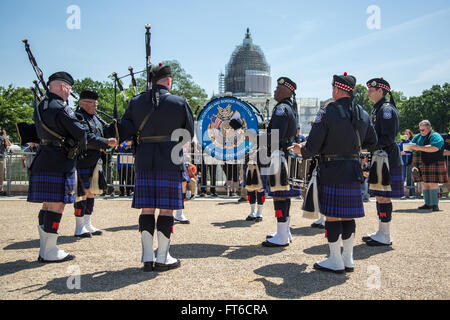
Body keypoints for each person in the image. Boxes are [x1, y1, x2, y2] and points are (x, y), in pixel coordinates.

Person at [109, 63, 194, 271]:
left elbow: (125, 132)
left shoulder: (136, 102)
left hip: (144, 159)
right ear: (168, 81)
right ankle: (162, 257)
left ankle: (147, 257)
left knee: (147, 209)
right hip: (170, 159)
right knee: (166, 210)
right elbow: (188, 134)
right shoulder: (179, 102)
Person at [291, 72, 377, 273]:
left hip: (332, 169)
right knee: (348, 216)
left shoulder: (328, 111)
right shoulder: (363, 113)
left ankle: (335, 260)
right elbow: (372, 143)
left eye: (332, 88)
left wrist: (299, 149)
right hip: (353, 169)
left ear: (337, 89)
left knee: (332, 216)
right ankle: (348, 259)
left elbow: (312, 147)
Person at [27, 72, 86, 263]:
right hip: (59, 161)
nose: (69, 93)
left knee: (47, 205)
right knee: (57, 205)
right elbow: (80, 133)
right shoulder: (62, 109)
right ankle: (49, 250)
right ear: (62, 87)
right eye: (69, 89)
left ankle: (45, 249)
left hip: (43, 158)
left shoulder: (39, 107)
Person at [364, 77, 404, 247]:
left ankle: (385, 234)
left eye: (371, 90)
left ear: (380, 91)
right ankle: (381, 230)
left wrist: (367, 146)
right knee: (380, 197)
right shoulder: (378, 109)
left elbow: (387, 137)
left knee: (384, 197)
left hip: (387, 158)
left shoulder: (386, 110)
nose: (368, 93)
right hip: (381, 157)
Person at [262, 77, 301, 247]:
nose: (275, 91)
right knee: (283, 196)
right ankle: (284, 231)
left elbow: (274, 136)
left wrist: (256, 138)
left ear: (287, 90)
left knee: (279, 196)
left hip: (279, 155)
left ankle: (282, 234)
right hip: (284, 155)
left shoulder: (281, 109)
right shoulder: (289, 108)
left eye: (278, 88)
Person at [73, 90, 117, 238]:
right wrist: (105, 143)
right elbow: (86, 137)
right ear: (83, 103)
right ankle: (79, 227)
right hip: (82, 160)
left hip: (95, 160)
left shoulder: (95, 119)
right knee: (82, 194)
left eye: (96, 104)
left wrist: (105, 146)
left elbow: (100, 135)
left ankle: (88, 223)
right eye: (92, 104)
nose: (95, 107)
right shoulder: (78, 117)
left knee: (91, 192)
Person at [410, 120, 448, 211]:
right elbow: (411, 145)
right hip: (421, 162)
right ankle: (428, 204)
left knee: (433, 183)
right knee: (424, 183)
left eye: (423, 130)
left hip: (433, 162)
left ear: (429, 128)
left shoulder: (435, 136)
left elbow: (435, 148)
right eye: (420, 130)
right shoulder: (418, 136)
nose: (421, 132)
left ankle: (435, 204)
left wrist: (419, 148)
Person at [398, 129, 415, 198]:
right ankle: (401, 193)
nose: (405, 135)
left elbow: (412, 150)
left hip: (409, 162)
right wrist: (400, 153)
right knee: (402, 177)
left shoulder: (411, 142)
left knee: (410, 178)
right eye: (404, 134)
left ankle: (412, 193)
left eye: (407, 134)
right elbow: (398, 151)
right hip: (402, 162)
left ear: (410, 135)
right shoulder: (400, 144)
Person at [0, 129, 12, 195]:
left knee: (1, 174)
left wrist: (5, 137)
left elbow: (9, 144)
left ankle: (1, 190)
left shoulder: (2, 138)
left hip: (1, 158)